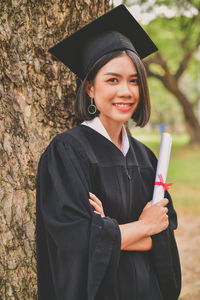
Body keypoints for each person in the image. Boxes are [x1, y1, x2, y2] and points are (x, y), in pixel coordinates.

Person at [36, 5, 181, 300]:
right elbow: (76, 243)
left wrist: (108, 230)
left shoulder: (146, 158)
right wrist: (143, 226)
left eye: (134, 80)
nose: (126, 91)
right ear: (90, 87)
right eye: (112, 80)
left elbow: (163, 238)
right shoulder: (67, 153)